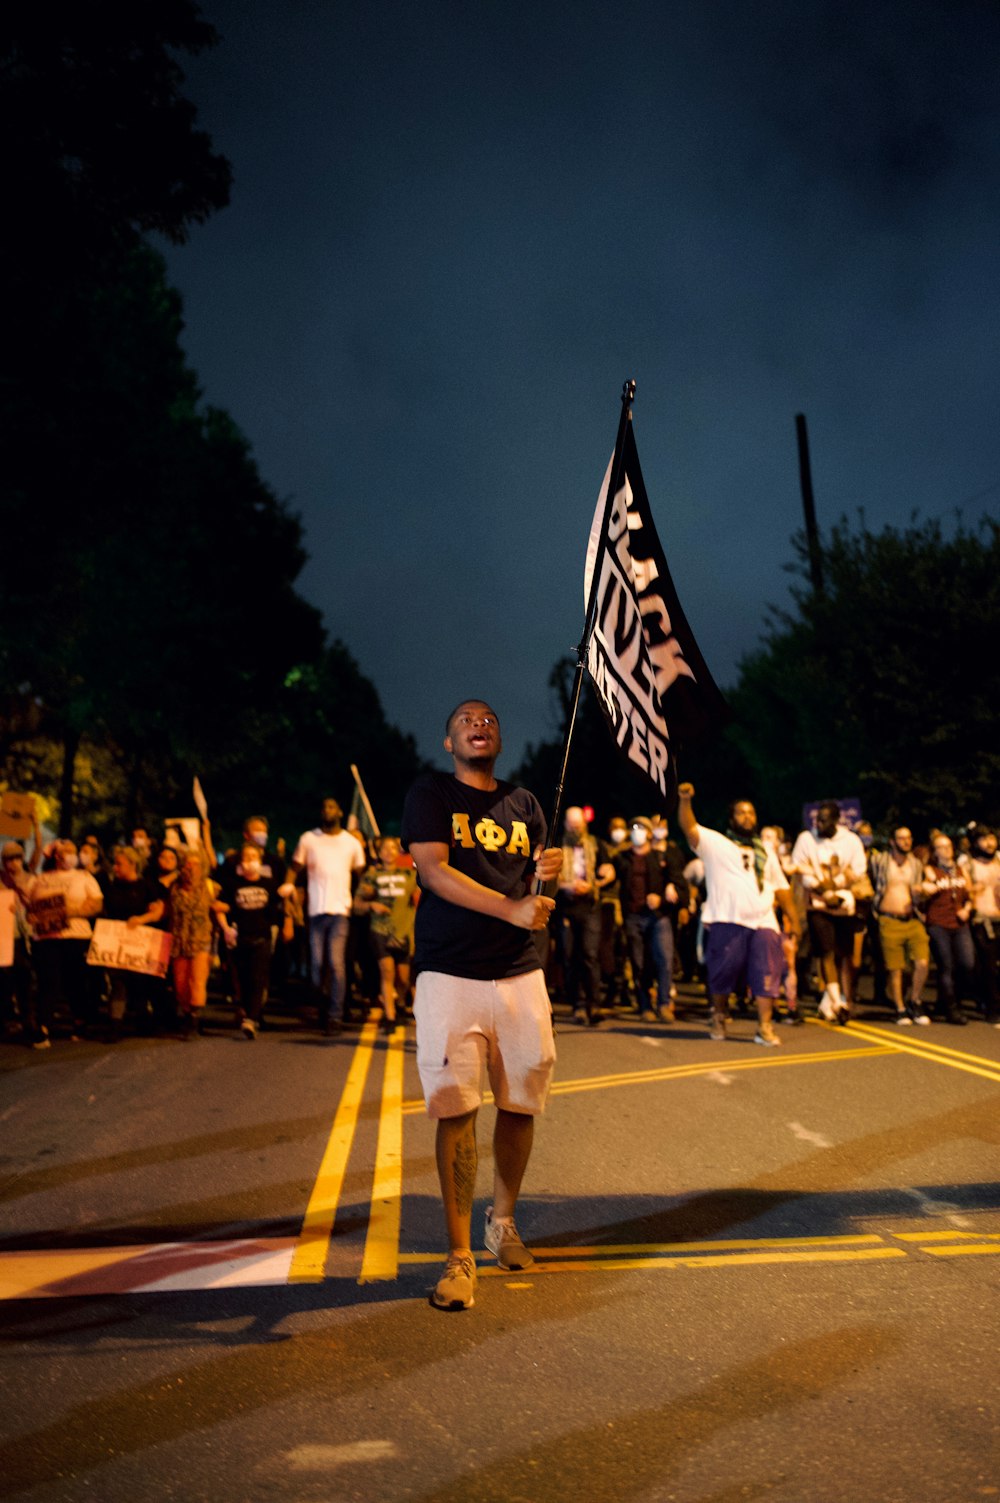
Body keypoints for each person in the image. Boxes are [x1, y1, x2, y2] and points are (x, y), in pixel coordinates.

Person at [400, 699, 560, 1312]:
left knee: (521, 1101)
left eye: (489, 719)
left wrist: (552, 872)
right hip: (450, 972)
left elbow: (533, 890)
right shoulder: (432, 793)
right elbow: (436, 872)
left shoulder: (525, 803)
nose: (479, 724)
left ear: (501, 737)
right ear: (449, 741)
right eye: (467, 719)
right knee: (457, 1109)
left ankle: (504, 1225)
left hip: (520, 974)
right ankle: (459, 1254)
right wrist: (512, 908)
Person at [676, 786, 799, 1046]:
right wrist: (685, 800)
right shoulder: (716, 844)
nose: (747, 817)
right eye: (741, 813)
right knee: (723, 973)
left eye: (751, 813)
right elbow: (689, 827)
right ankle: (719, 1014)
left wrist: (794, 919)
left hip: (764, 921)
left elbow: (782, 888)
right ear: (731, 818)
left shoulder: (766, 851)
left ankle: (764, 1026)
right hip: (727, 919)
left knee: (767, 974)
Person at [286, 798, 366, 1034]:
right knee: (316, 965)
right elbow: (294, 867)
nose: (327, 811)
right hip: (315, 912)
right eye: (324, 807)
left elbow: (361, 876)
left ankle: (335, 1015)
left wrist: (363, 898)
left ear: (339, 811)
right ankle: (322, 1005)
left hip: (340, 911)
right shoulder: (309, 839)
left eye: (332, 806)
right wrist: (287, 888)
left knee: (336, 962)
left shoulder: (351, 843)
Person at [791, 801, 869, 1023]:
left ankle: (832, 999)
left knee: (845, 955)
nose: (818, 825)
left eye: (824, 820)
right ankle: (838, 1002)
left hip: (844, 904)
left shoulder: (850, 840)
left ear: (835, 821)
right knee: (825, 951)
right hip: (817, 904)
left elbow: (859, 868)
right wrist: (823, 890)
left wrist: (837, 885)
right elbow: (799, 867)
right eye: (817, 820)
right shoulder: (806, 839)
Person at [22, 839, 103, 1047]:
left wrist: (69, 912)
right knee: (48, 981)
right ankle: (43, 1027)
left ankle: (79, 1020)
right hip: (46, 938)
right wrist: (32, 917)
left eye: (74, 852)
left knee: (74, 981)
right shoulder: (39, 879)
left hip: (75, 936)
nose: (72, 855)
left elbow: (96, 904)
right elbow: (28, 905)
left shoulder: (84, 877)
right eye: (67, 852)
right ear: (56, 856)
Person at [217, 841, 287, 1039]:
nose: (249, 862)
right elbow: (220, 908)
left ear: (260, 861)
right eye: (245, 858)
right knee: (244, 979)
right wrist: (225, 928)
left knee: (258, 978)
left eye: (253, 858)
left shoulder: (269, 884)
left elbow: (280, 907)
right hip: (240, 938)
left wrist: (287, 896)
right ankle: (248, 1012)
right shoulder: (232, 885)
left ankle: (252, 1019)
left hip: (262, 937)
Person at [554, 805, 614, 1025]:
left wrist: (602, 877)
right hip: (567, 905)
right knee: (570, 956)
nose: (575, 829)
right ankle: (577, 1005)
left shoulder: (596, 844)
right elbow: (549, 876)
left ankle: (593, 1004)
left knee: (589, 955)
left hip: (590, 905)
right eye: (571, 825)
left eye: (578, 825)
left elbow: (609, 870)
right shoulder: (558, 844)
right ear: (565, 825)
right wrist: (568, 885)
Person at [353, 834, 418, 1032]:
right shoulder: (372, 876)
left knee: (404, 978)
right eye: (384, 849)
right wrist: (371, 904)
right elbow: (357, 906)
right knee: (387, 972)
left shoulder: (410, 876)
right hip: (380, 930)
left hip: (404, 932)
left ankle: (399, 1005)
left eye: (393, 848)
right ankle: (389, 1018)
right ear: (379, 853)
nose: (388, 851)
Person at [869, 827, 930, 1024]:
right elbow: (868, 878)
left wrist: (921, 892)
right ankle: (900, 1008)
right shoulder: (880, 861)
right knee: (896, 968)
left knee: (922, 962)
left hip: (912, 918)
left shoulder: (916, 864)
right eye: (901, 838)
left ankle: (915, 1000)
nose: (905, 841)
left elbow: (920, 890)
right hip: (889, 919)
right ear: (892, 841)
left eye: (908, 838)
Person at [102, 845, 165, 1038]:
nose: (115, 867)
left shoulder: (146, 886)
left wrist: (141, 919)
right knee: (118, 983)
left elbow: (158, 911)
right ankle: (115, 1025)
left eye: (119, 864)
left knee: (139, 983)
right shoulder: (113, 887)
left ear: (132, 864)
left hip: (140, 943)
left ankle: (143, 1019)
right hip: (117, 942)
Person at [615, 817, 673, 1022]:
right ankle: (645, 1005)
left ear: (649, 833)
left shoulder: (660, 857)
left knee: (664, 960)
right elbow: (611, 871)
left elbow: (673, 882)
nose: (635, 831)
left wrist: (663, 895)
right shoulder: (623, 857)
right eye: (633, 828)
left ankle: (664, 1003)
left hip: (658, 917)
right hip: (633, 916)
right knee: (638, 963)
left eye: (640, 828)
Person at [168, 822, 219, 1038]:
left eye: (196, 865)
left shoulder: (210, 887)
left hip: (201, 940)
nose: (191, 869)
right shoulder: (174, 887)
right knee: (180, 983)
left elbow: (219, 909)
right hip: (179, 941)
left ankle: (194, 1018)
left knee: (197, 980)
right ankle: (186, 1010)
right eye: (188, 865)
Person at [922, 833, 974, 1025]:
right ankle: (952, 1008)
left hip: (960, 923)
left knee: (967, 964)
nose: (947, 850)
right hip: (938, 923)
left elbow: (970, 894)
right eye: (941, 847)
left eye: (949, 846)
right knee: (946, 965)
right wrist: (927, 887)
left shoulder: (961, 870)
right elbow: (922, 889)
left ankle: (948, 1000)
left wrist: (967, 909)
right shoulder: (930, 870)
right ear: (934, 851)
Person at [961, 826, 1000, 1023]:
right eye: (985, 839)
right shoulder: (968, 864)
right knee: (988, 966)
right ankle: (992, 1007)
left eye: (992, 839)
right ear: (976, 843)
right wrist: (971, 890)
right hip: (981, 920)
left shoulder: (999, 862)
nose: (990, 843)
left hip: (998, 916)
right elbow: (961, 889)